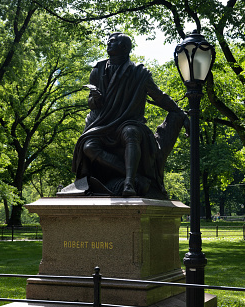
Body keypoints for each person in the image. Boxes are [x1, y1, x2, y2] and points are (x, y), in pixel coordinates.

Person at [69, 32, 188, 198]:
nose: (108, 44)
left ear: (124, 47)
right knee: (88, 147)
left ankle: (129, 183)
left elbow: (159, 96)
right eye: (108, 41)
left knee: (131, 132)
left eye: (113, 42)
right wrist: (96, 99)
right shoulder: (98, 69)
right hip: (102, 124)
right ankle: (137, 177)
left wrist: (179, 111)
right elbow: (92, 104)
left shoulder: (139, 72)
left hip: (128, 121)